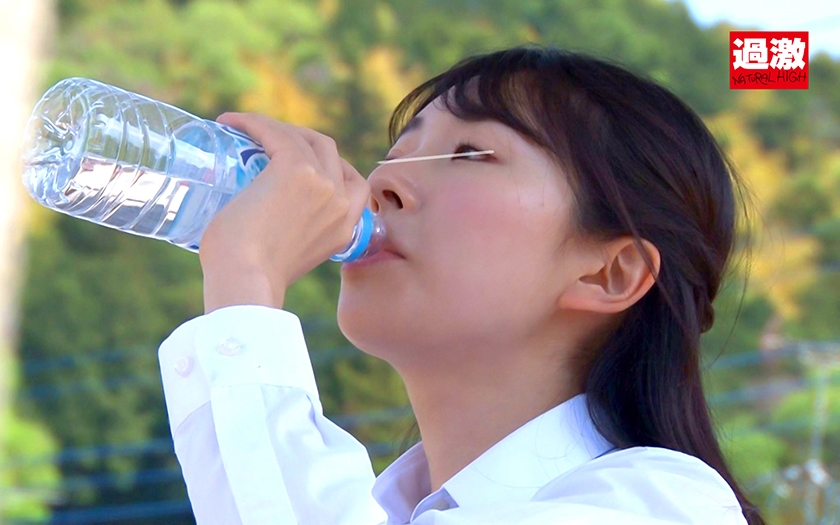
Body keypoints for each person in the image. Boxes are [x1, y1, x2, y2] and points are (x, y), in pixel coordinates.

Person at [157, 44, 766, 524]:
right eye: (398, 151)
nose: (382, 183)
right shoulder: (378, 506)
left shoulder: (661, 509)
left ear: (611, 273)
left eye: (470, 154)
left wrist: (246, 278)